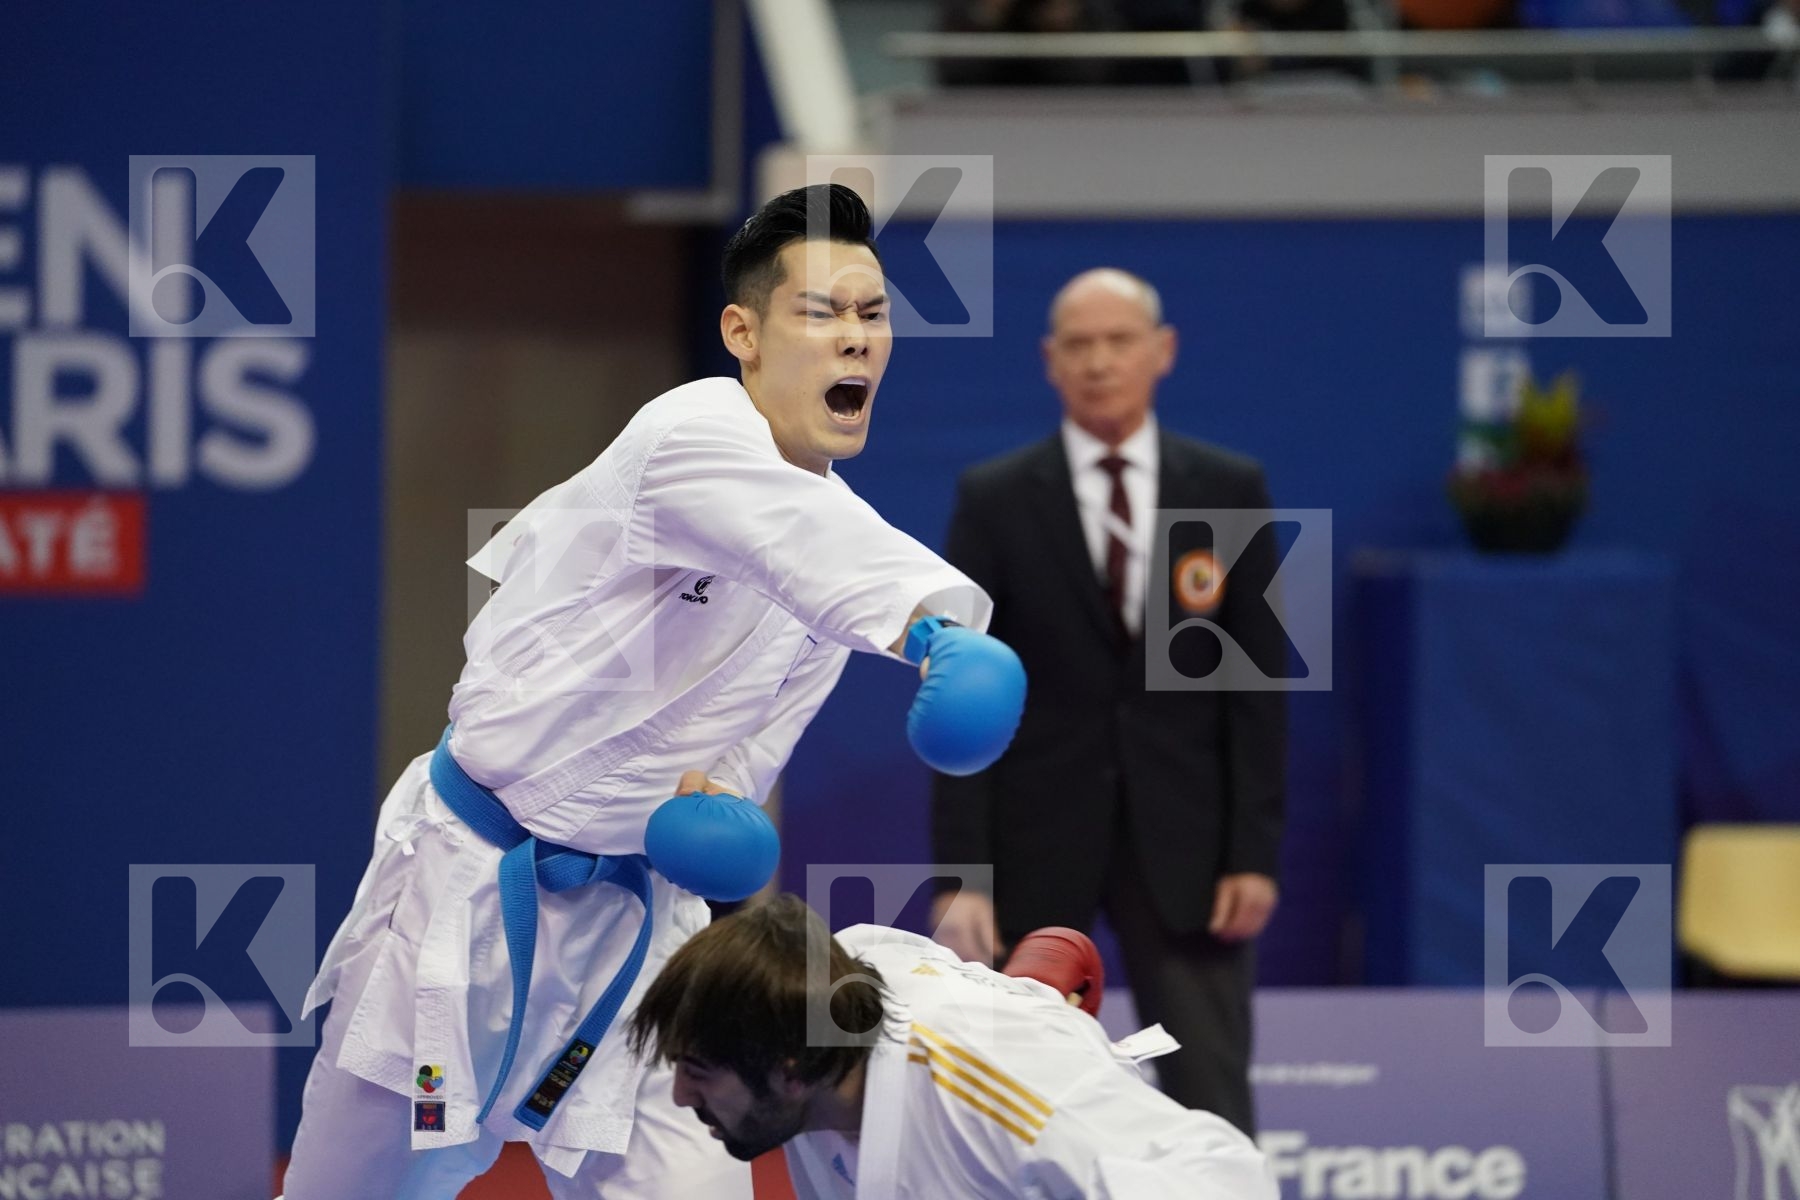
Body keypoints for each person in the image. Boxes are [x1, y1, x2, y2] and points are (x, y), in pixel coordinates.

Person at [278, 183, 1026, 1200]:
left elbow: (732, 769)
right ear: (744, 333)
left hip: (637, 930)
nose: (855, 339)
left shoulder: (832, 582)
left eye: (873, 313)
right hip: (466, 897)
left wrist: (722, 825)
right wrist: (939, 632)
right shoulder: (691, 433)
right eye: (822, 312)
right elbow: (815, 548)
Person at [930, 267, 1287, 1136]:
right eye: (1079, 346)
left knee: (1211, 1095)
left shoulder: (1226, 488)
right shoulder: (997, 497)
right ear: (1050, 362)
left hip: (1191, 847)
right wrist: (963, 875)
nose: (1099, 362)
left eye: (1118, 341)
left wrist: (1252, 853)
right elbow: (960, 695)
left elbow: (1255, 687)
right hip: (1033, 845)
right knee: (1013, 1102)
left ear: (1161, 352)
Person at [628, 895, 1276, 1199]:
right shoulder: (814, 998)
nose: (681, 1096)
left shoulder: (986, 1085)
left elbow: (1221, 1176)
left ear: (791, 1068)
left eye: (699, 1072)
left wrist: (1032, 1019)